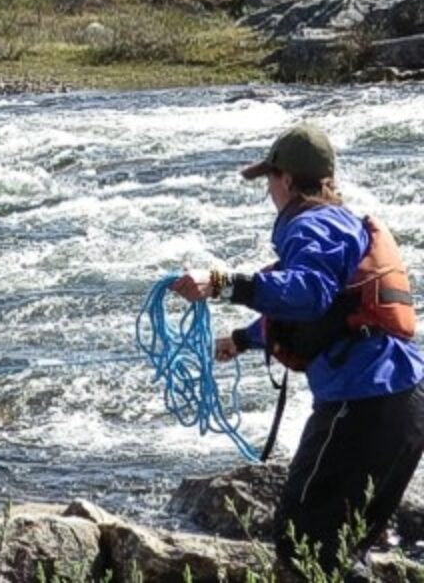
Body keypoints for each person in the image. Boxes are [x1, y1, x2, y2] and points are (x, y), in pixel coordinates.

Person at [170, 123, 424, 578]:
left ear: (285, 180)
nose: (269, 189)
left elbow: (308, 293)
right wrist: (245, 339)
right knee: (341, 549)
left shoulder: (310, 225)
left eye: (269, 179)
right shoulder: (340, 221)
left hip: (364, 402)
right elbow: (328, 310)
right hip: (402, 399)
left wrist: (223, 283)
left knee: (302, 537)